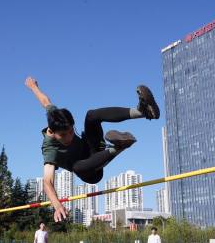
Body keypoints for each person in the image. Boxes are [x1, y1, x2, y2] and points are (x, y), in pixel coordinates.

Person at [25, 76, 159, 222]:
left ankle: (142, 112)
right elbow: (47, 182)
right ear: (52, 131)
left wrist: (33, 87)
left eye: (71, 131)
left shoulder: (57, 116)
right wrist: (57, 205)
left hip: (93, 147)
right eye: (63, 135)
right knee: (76, 167)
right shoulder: (49, 148)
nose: (69, 137)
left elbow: (45, 101)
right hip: (91, 171)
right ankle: (118, 147)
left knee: (91, 115)